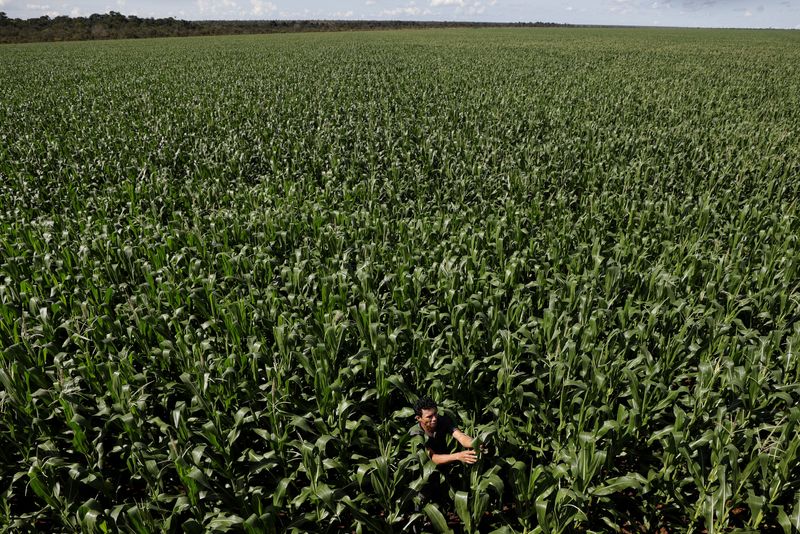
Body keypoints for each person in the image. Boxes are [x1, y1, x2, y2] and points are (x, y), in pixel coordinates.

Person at [409, 396, 479, 507]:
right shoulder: (416, 435)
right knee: (421, 503)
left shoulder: (441, 421)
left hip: (444, 469)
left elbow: (460, 436)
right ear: (418, 418)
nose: (434, 418)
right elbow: (432, 459)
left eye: (435, 413)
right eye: (429, 417)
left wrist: (476, 443)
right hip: (423, 475)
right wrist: (458, 456)